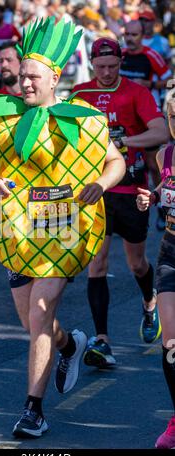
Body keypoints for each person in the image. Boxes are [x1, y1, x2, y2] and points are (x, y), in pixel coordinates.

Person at [0, 17, 125, 438]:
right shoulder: (2, 119)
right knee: (33, 323)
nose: (25, 85)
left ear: (55, 76)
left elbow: (116, 162)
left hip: (65, 228)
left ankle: (33, 410)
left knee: (40, 313)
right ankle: (71, 345)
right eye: (21, 77)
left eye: (34, 78)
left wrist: (100, 184)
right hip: (15, 234)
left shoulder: (84, 120)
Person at [72, 37, 169, 368]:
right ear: (92, 66)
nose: (107, 72)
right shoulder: (80, 94)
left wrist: (123, 140)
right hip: (93, 190)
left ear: (121, 62)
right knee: (96, 264)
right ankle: (102, 340)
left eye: (113, 66)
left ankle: (148, 300)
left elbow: (160, 132)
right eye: (101, 67)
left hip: (130, 188)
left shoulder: (136, 93)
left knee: (136, 264)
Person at [136, 98, 175, 449]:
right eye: (173, 117)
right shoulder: (166, 155)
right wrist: (153, 197)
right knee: (171, 343)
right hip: (171, 252)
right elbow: (167, 188)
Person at [121, 19, 172, 230]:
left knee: (153, 165)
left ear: (143, 35)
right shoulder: (120, 56)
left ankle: (164, 209)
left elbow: (171, 81)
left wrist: (150, 84)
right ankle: (123, 212)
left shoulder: (151, 55)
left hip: (147, 117)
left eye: (134, 35)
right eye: (127, 35)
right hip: (126, 118)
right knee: (122, 162)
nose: (130, 39)